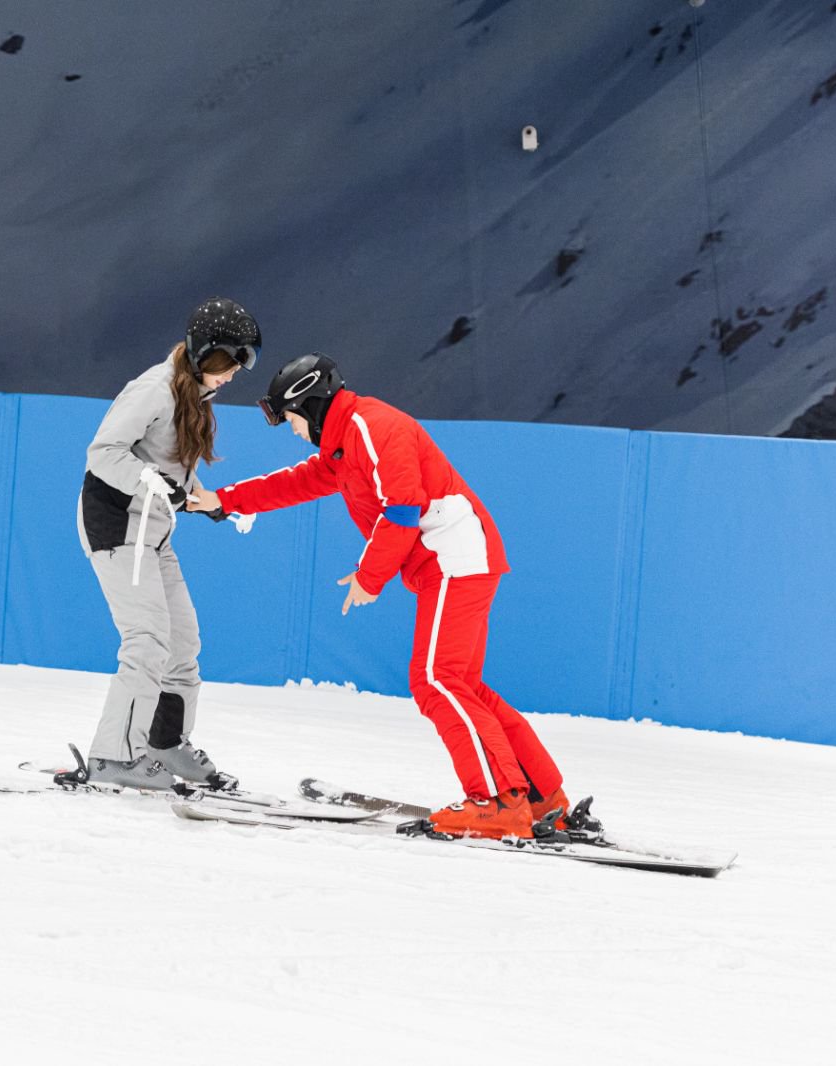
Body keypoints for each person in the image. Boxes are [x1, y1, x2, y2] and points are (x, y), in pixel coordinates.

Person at [187, 353, 581, 839]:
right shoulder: (344, 446)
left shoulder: (372, 427)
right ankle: (543, 799)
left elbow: (402, 509)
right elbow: (299, 482)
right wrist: (223, 500)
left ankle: (497, 802)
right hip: (456, 559)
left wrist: (368, 578)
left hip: (453, 557)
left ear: (311, 406)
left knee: (436, 680)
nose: (291, 430)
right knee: (460, 685)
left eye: (290, 419)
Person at [60, 298, 260, 792]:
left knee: (183, 643)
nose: (232, 376)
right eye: (228, 365)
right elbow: (103, 454)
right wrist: (153, 483)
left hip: (153, 532)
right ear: (203, 354)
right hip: (116, 525)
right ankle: (113, 757)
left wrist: (211, 503)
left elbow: (168, 481)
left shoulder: (191, 394)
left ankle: (164, 743)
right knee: (147, 639)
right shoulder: (152, 390)